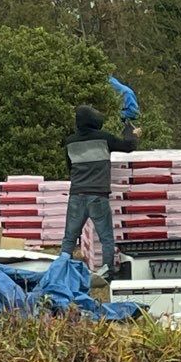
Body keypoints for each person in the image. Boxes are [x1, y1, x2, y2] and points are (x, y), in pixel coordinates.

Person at [59, 105, 139, 278]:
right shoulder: (103, 138)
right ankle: (107, 272)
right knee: (106, 238)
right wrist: (130, 130)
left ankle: (61, 271)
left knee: (69, 238)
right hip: (97, 196)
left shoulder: (70, 142)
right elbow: (128, 146)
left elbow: (70, 168)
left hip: (76, 195)